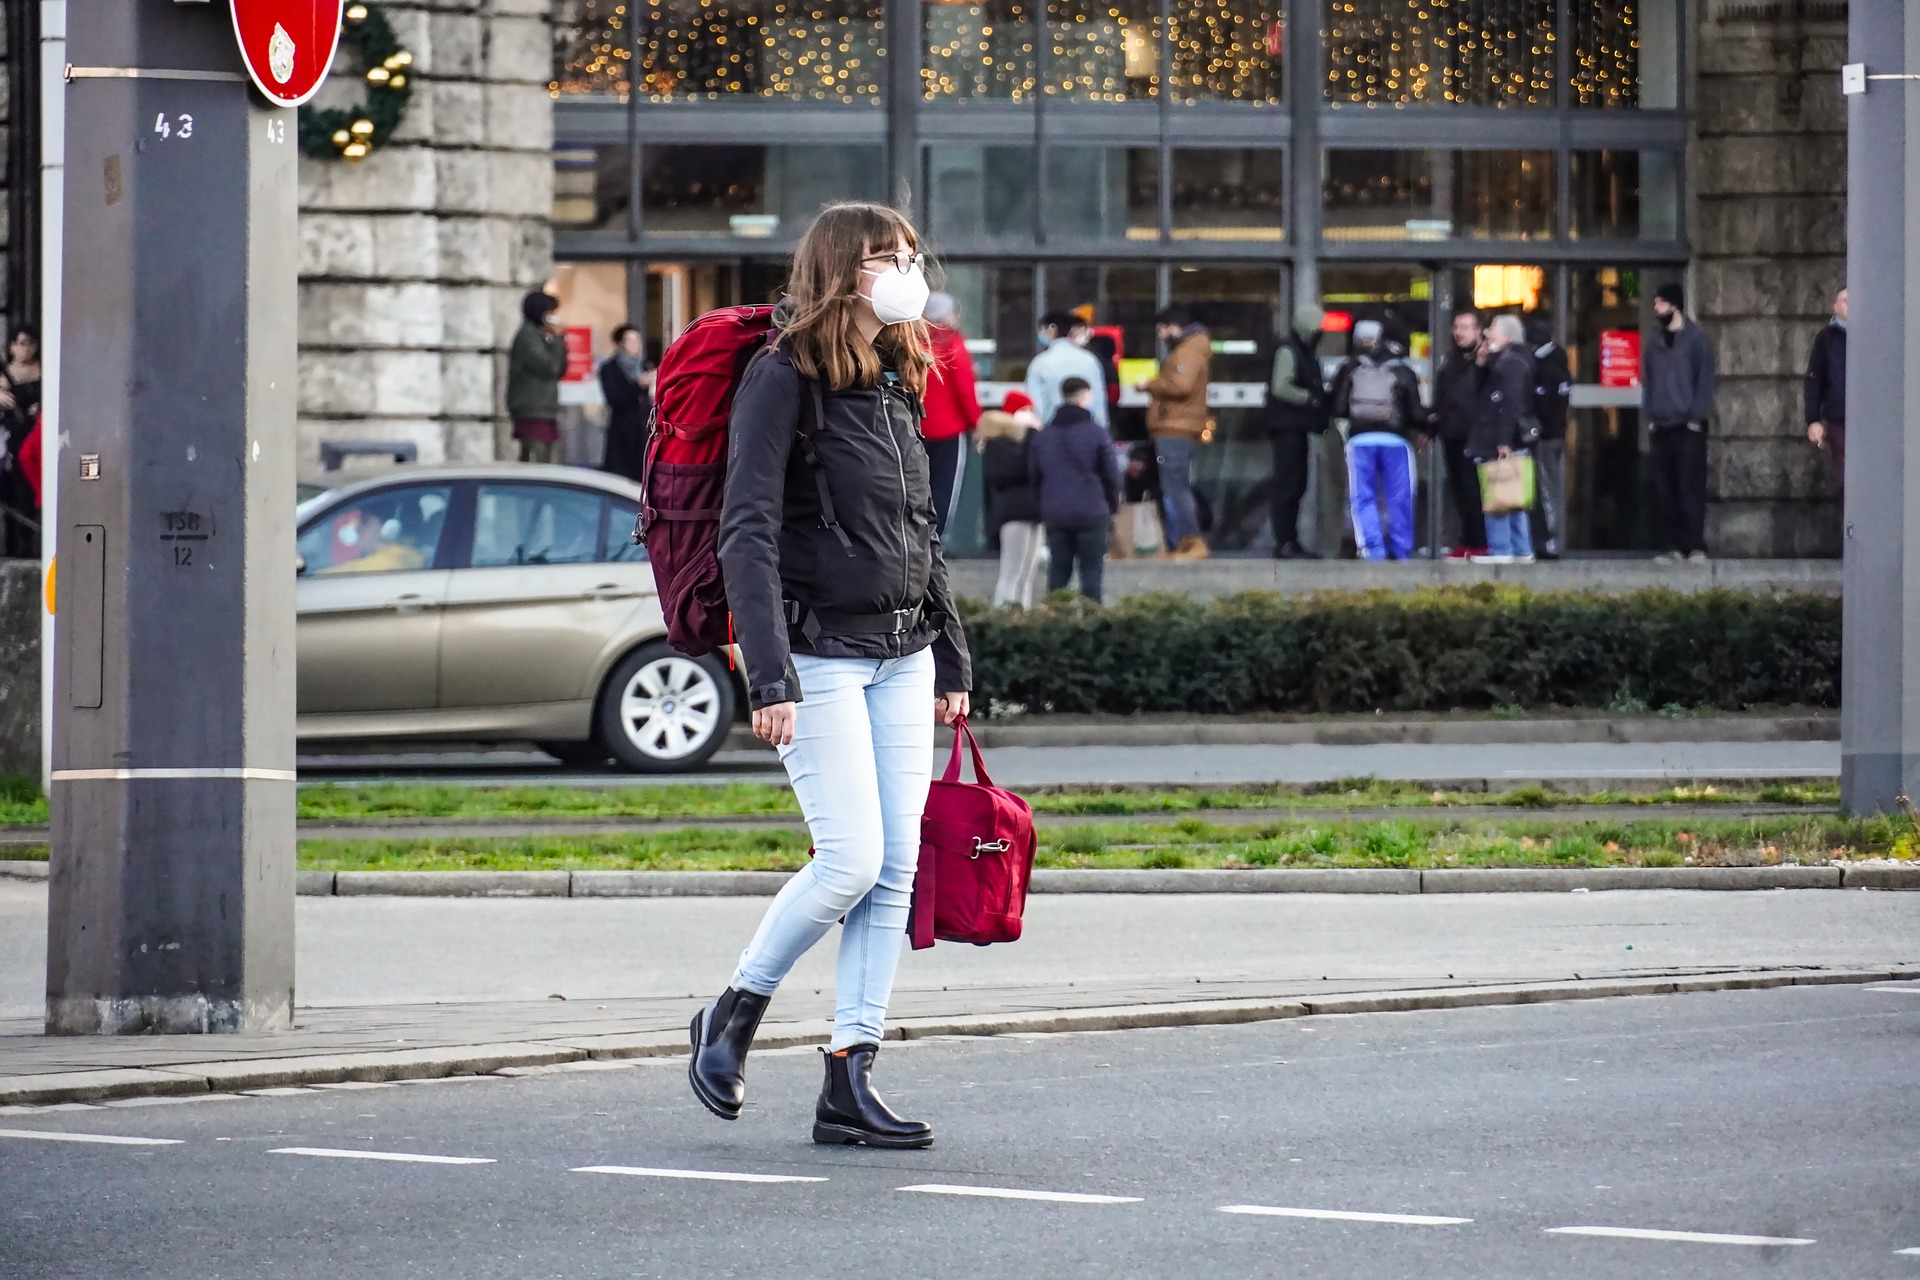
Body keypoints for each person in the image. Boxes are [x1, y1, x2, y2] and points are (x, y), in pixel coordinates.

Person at [697, 202, 972, 1150]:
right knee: (850, 860)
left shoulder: (900, 373)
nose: (906, 271)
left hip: (904, 653)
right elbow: (748, 531)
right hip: (817, 657)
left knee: (894, 872)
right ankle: (733, 1012)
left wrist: (952, 655)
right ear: (836, 275)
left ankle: (849, 1080)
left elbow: (918, 531)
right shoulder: (783, 378)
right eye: (884, 259)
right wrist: (768, 675)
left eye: (909, 254)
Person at [1329, 319, 1423, 561]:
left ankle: (1373, 550)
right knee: (1399, 496)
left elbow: (1338, 407)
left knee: (1363, 497)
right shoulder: (1401, 369)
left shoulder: (1350, 367)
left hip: (1360, 441)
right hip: (1395, 441)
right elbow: (1415, 412)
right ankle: (1401, 550)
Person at [1643, 282, 1717, 563]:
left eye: (1661, 303)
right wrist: (1651, 415)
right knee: (1665, 489)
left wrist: (1696, 418)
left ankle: (1694, 546)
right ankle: (1671, 546)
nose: (1656, 309)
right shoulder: (1654, 341)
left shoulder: (1696, 339)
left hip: (1688, 427)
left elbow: (1705, 381)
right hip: (1662, 425)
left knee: (1689, 486)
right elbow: (1649, 381)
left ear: (1675, 305)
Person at [1029, 376, 1121, 602]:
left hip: (1056, 513)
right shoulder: (1096, 433)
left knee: (1058, 574)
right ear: (1083, 397)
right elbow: (1111, 475)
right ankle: (1092, 625)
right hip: (1092, 511)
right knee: (1091, 576)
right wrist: (1111, 506)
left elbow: (1034, 475)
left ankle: (1056, 623)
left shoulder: (1044, 435)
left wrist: (1042, 506)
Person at [1140, 305, 1212, 560]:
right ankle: (1186, 541)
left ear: (1173, 326)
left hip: (1175, 428)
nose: (1160, 334)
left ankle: (1191, 541)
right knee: (1176, 486)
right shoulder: (1192, 348)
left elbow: (1181, 385)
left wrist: (1149, 385)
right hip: (1179, 427)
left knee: (1176, 488)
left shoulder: (1188, 351)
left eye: (1161, 328)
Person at [1468, 315, 1536, 565]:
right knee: (1513, 496)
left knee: (1498, 494)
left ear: (1506, 335)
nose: (1488, 336)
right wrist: (1483, 362)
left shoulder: (1512, 363)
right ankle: (1521, 550)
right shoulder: (1508, 361)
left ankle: (1501, 550)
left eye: (1493, 331)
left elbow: (1511, 404)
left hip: (1503, 440)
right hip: (1507, 439)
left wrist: (1503, 440)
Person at [1265, 303, 1327, 559]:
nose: (1320, 332)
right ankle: (1285, 541)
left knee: (1296, 485)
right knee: (1288, 485)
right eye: (1317, 327)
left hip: (1296, 427)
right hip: (1288, 427)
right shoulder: (1289, 351)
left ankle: (1290, 540)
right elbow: (1281, 387)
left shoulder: (1301, 350)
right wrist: (1309, 399)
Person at [920, 292, 981, 535]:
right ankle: (934, 541)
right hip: (948, 429)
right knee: (943, 490)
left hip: (914, 426)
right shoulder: (952, 343)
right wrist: (976, 423)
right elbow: (965, 389)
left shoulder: (911, 341)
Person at [1429, 308, 1488, 558]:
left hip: (1475, 436)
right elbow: (1443, 397)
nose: (1459, 333)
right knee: (1459, 491)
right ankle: (1468, 541)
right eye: (1456, 328)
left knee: (1475, 490)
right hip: (1451, 434)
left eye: (1465, 328)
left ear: (1478, 331)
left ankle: (1480, 543)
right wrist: (1431, 426)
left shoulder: (1484, 360)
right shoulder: (1451, 361)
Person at [978, 390, 1045, 608]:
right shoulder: (999, 443)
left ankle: (1020, 615)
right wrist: (1033, 437)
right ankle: (1004, 613)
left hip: (1031, 511)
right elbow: (1012, 472)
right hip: (1014, 512)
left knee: (1026, 573)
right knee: (1012, 571)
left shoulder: (1021, 441)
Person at [1525, 319, 1573, 559]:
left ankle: (1549, 538)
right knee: (1551, 486)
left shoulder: (1543, 366)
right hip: (1555, 434)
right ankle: (1550, 537)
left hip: (1545, 436)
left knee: (1545, 488)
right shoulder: (1560, 361)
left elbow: (1544, 404)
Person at [507, 290, 569, 464]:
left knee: (547, 457)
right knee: (536, 458)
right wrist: (557, 340)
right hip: (532, 408)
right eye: (549, 312)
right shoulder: (527, 337)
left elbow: (560, 369)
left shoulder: (540, 336)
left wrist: (558, 342)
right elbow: (549, 366)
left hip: (543, 408)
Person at [1024, 311, 1109, 429]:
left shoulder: (1039, 363)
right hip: (1085, 430)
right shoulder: (1090, 360)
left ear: (1052, 328)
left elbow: (1035, 402)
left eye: (1042, 329)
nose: (1040, 334)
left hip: (1052, 432)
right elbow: (1099, 400)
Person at [598, 324, 654, 482]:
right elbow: (614, 399)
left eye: (637, 340)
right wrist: (637, 385)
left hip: (643, 430)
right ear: (619, 344)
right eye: (630, 341)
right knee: (620, 477)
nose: (635, 345)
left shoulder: (645, 365)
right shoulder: (609, 368)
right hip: (622, 431)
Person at [1805, 286, 1847, 489]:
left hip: (1871, 422)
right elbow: (1814, 380)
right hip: (1839, 420)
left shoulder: (1873, 335)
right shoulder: (1826, 338)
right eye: (1846, 300)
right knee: (1846, 482)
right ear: (1835, 306)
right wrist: (1813, 420)